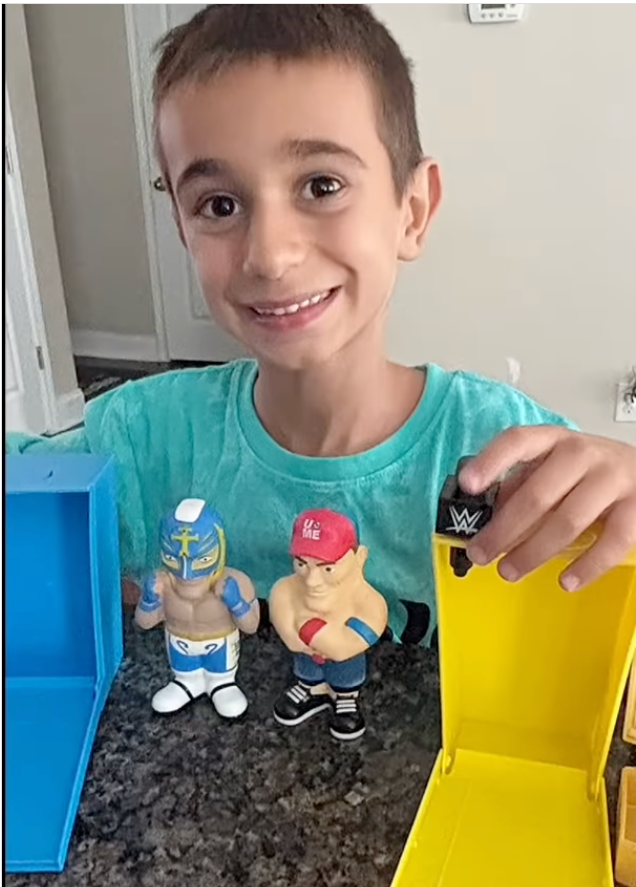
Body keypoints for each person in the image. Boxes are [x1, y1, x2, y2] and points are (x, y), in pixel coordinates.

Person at [8, 6, 636, 734]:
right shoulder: (142, 440)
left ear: (412, 208)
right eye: (219, 204)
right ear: (183, 227)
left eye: (322, 186)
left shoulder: (508, 459)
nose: (270, 254)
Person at [269, 509, 388, 740]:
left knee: (345, 673)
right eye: (302, 564)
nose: (312, 581)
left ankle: (345, 698)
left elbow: (361, 634)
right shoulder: (290, 587)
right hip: (305, 653)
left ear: (359, 557)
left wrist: (324, 638)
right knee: (307, 670)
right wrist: (294, 637)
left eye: (327, 569)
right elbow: (280, 602)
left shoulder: (366, 599)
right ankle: (309, 688)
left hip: (343, 657)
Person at [134, 498, 259, 716]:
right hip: (179, 646)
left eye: (201, 559)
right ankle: (185, 683)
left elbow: (251, 626)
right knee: (183, 676)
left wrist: (236, 603)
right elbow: (144, 623)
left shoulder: (235, 581)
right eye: (173, 558)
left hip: (220, 647)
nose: (186, 573)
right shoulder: (162, 583)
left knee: (225, 688)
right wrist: (148, 600)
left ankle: (223, 684)